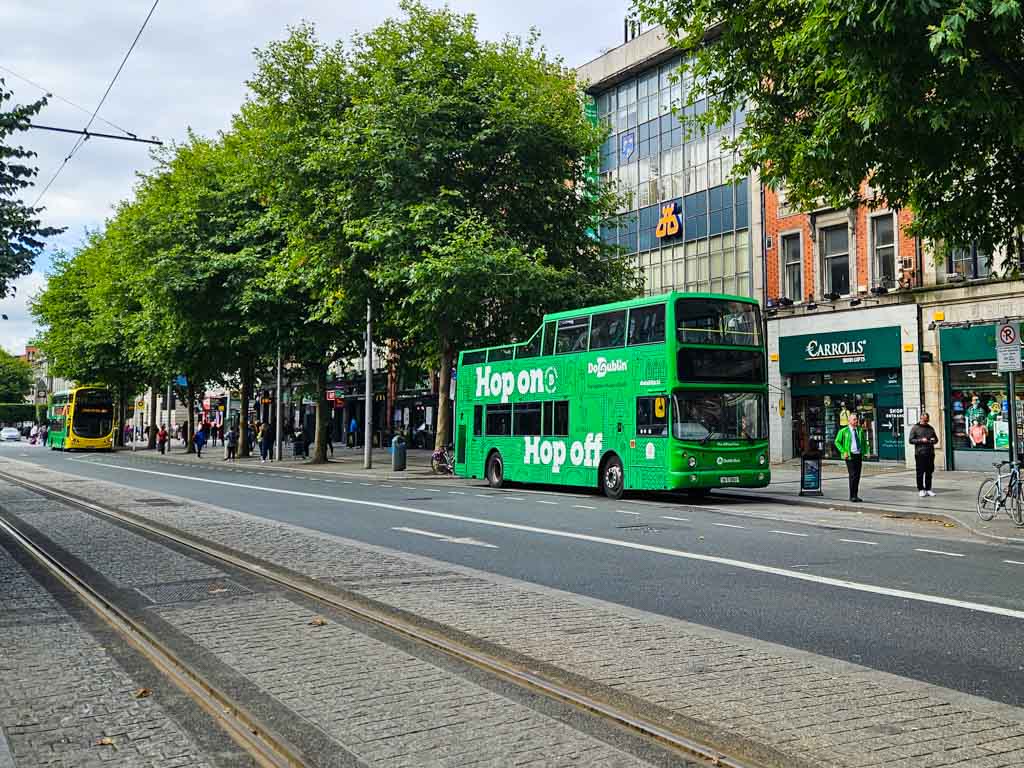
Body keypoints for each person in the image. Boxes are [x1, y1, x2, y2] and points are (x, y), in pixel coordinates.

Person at [834, 412, 866, 502]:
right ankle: (852, 496)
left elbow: (863, 441)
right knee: (852, 475)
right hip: (849, 456)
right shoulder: (843, 431)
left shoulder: (859, 430)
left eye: (857, 419)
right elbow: (837, 442)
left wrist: (866, 451)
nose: (856, 421)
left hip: (858, 454)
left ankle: (855, 495)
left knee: (857, 476)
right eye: (854, 419)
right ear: (849, 421)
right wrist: (843, 451)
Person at [908, 412, 939, 497]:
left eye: (927, 420)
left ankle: (928, 489)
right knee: (920, 472)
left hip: (930, 453)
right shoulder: (915, 428)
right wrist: (921, 440)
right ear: (921, 419)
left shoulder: (930, 428)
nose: (926, 422)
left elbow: (936, 439)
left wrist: (933, 440)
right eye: (924, 420)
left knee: (929, 472)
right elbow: (911, 440)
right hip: (920, 453)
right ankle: (921, 489)